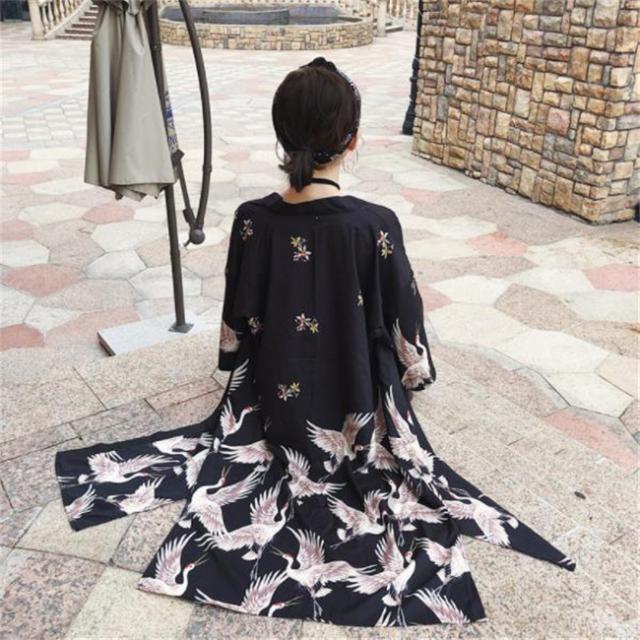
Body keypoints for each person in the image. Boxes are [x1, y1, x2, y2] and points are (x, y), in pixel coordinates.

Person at [55, 57, 575, 627]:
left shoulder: (252, 220)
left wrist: (232, 360)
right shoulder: (375, 224)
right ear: (352, 139)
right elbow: (404, 316)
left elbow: (238, 315)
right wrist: (415, 375)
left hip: (272, 391)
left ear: (282, 137)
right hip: (357, 393)